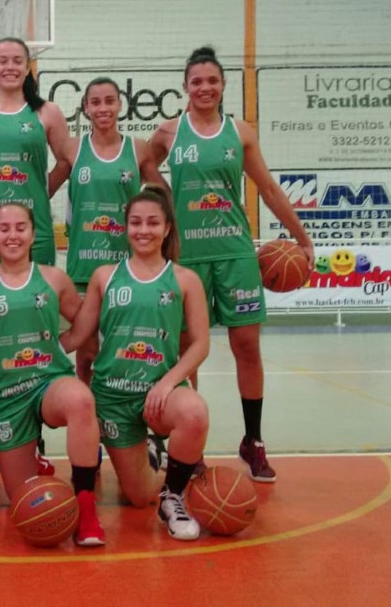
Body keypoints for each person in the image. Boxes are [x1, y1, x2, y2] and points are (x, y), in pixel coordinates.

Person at [143, 46, 314, 482]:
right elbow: (144, 164)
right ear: (185, 87)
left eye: (212, 81)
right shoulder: (169, 132)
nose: (205, 88)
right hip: (187, 257)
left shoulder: (240, 132)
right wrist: (166, 198)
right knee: (188, 352)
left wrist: (301, 238)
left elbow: (268, 189)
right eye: (196, 81)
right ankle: (190, 448)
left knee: (247, 346)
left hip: (235, 253)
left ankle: (252, 440)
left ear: (223, 85)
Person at [62, 186, 210, 541]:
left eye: (153, 223)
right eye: (136, 222)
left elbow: (200, 344)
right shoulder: (104, 276)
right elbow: (78, 335)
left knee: (194, 412)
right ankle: (152, 454)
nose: (144, 230)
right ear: (125, 227)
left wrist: (167, 383)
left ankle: (173, 497)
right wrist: (35, 351)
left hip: (159, 394)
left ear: (167, 228)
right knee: (140, 496)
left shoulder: (185, 280)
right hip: (112, 397)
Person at [0, 202, 105, 547]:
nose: (13, 235)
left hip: (48, 382)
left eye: (20, 228)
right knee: (25, 503)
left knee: (81, 401)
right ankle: (32, 456)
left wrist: (63, 344)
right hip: (5, 396)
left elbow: (84, 320)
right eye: (4, 228)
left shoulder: (54, 279)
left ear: (34, 234)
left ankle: (86, 509)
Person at [0, 38, 70, 473]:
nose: (9, 66)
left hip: (30, 237)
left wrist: (40, 195)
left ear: (27, 67)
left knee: (36, 331)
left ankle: (33, 433)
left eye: (17, 60)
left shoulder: (47, 113)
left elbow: (66, 160)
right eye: (2, 60)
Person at [62, 76, 163, 382]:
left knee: (125, 349)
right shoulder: (73, 149)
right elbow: (42, 193)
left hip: (126, 267)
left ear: (120, 105)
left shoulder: (138, 149)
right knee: (87, 353)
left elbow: (164, 196)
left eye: (109, 101)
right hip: (83, 267)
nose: (103, 108)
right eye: (95, 102)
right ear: (85, 107)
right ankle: (88, 410)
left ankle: (120, 408)